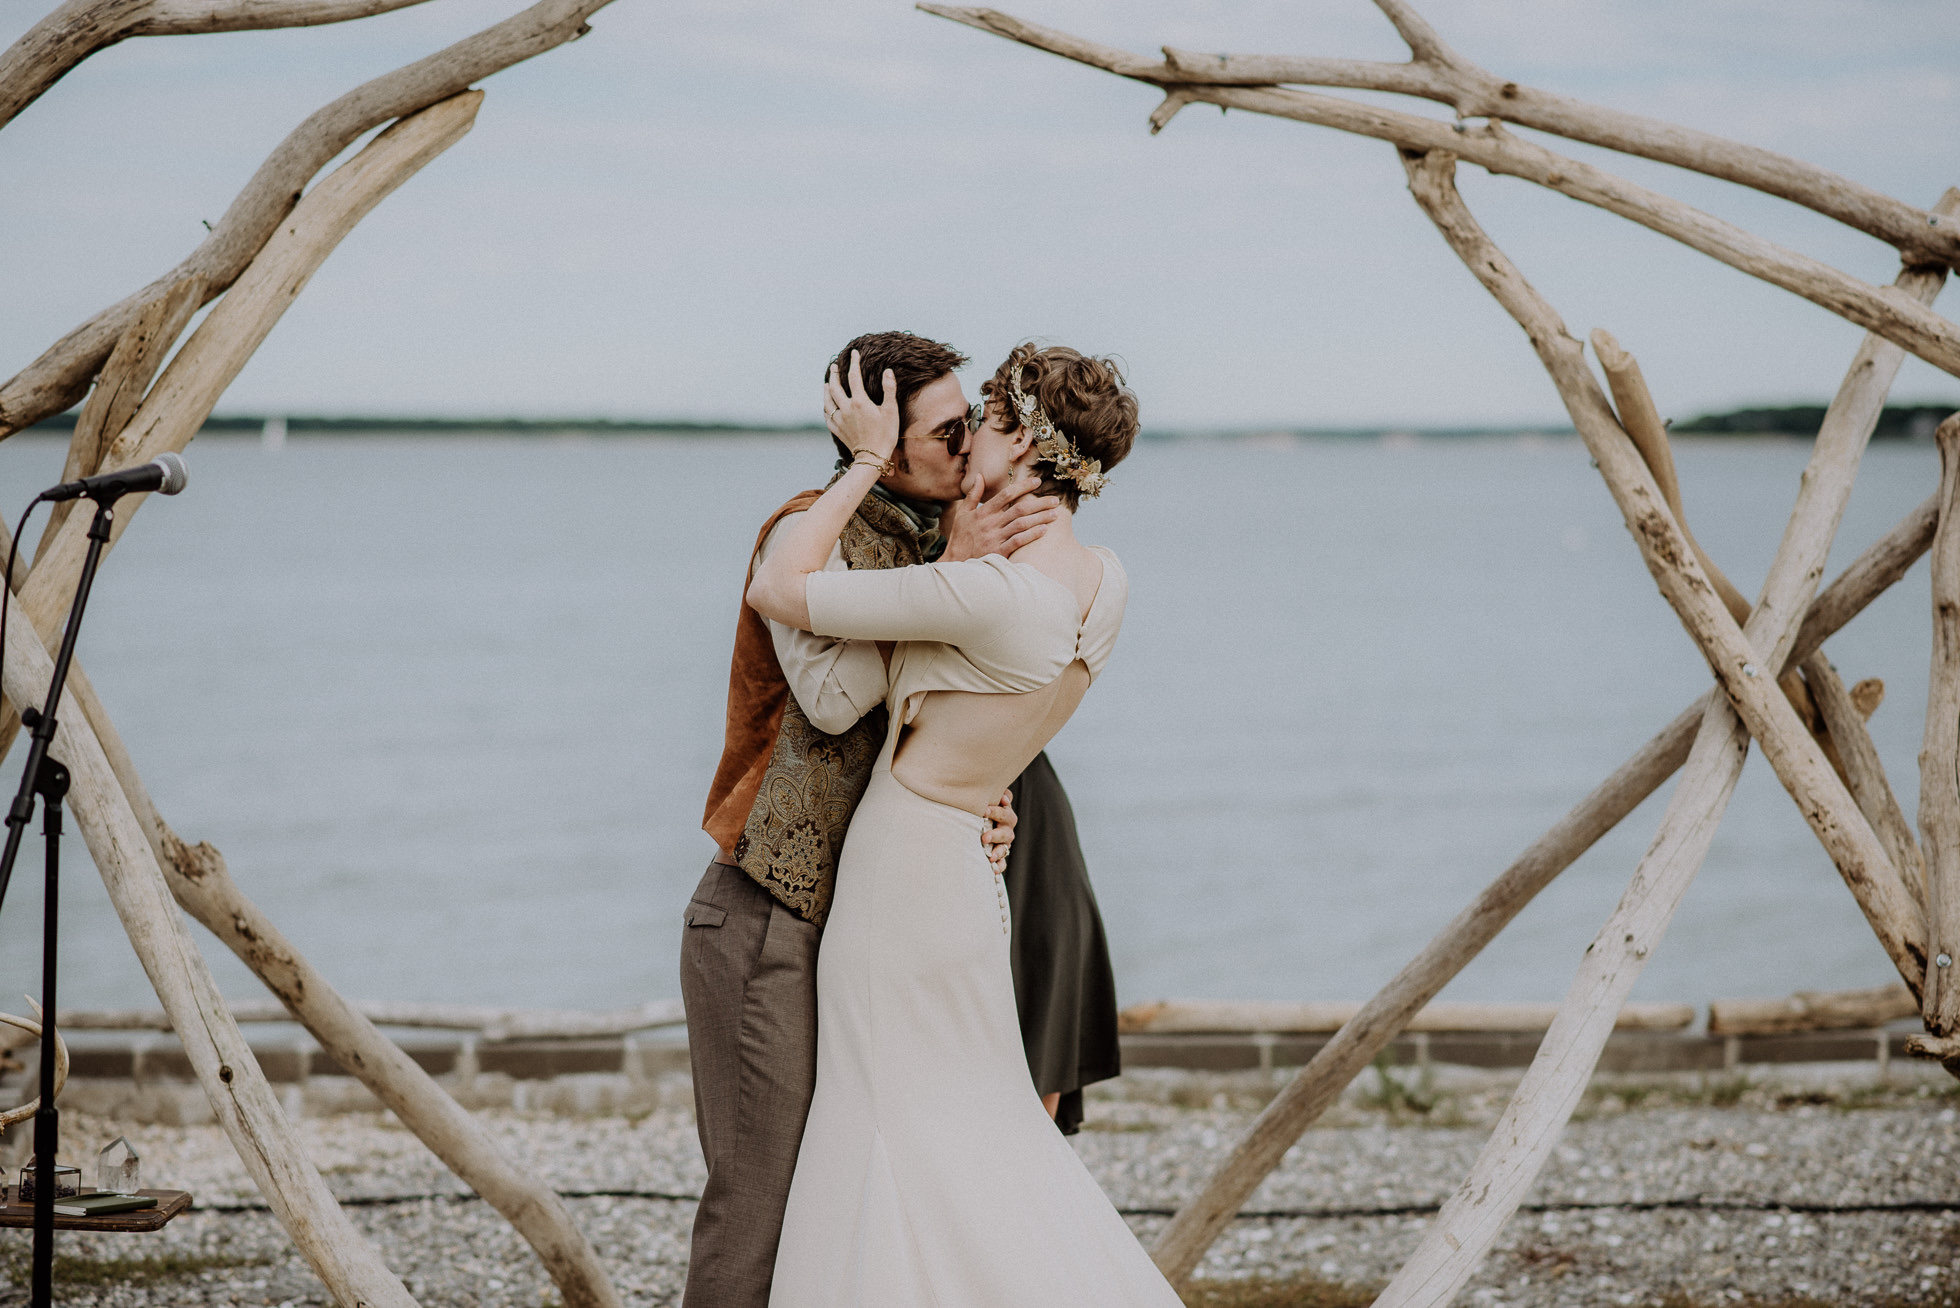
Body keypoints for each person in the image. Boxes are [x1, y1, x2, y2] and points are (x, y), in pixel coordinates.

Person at [751, 343, 1179, 1305]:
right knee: (979, 1124)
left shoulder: (982, 590)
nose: (968, 436)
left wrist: (867, 464)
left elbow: (780, 587)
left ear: (1020, 438)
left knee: (879, 1129)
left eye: (982, 419)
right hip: (970, 872)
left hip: (901, 876)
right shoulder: (1105, 584)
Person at [682, 331, 1084, 1308]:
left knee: (854, 1194)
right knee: (761, 1208)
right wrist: (946, 559)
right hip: (772, 918)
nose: (969, 446)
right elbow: (830, 702)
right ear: (881, 441)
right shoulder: (803, 531)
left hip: (868, 922)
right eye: (945, 430)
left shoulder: (933, 536)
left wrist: (983, 808)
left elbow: (953, 714)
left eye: (969, 425)